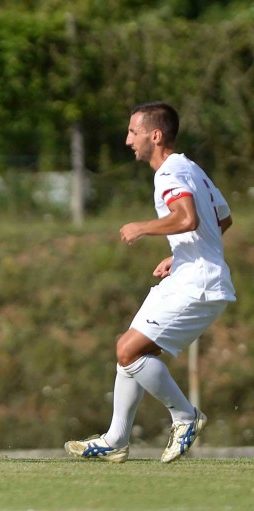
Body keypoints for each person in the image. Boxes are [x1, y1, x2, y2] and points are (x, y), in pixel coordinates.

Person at [65, 102, 235, 463]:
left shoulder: (169, 172)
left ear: (155, 136)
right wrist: (182, 253)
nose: (128, 140)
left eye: (133, 132)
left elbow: (187, 218)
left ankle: (185, 417)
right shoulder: (191, 167)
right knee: (128, 349)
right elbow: (222, 218)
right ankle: (115, 440)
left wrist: (142, 227)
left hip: (199, 283)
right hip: (189, 273)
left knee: (129, 351)